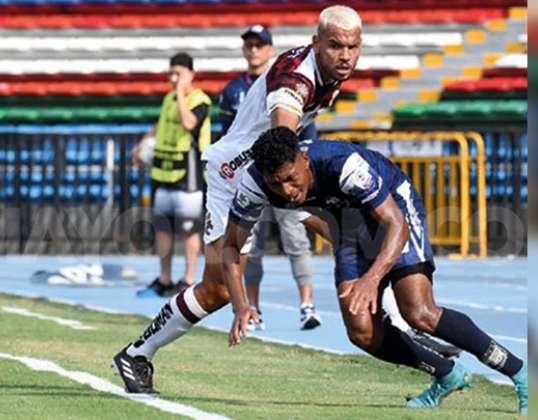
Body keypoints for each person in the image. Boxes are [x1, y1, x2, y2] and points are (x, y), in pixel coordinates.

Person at [113, 5, 357, 393]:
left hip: (264, 170)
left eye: (353, 47)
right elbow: (282, 143)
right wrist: (305, 200)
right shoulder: (296, 81)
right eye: (336, 46)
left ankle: (407, 325)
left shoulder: (330, 73)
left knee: (350, 237)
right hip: (239, 175)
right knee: (218, 289)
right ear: (317, 43)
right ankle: (136, 353)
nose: (345, 56)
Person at [221, 127, 528, 414]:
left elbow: (397, 224)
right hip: (348, 223)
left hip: (394, 209)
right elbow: (231, 247)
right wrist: (240, 305)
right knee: (362, 332)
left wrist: (371, 279)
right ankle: (447, 374)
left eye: (290, 179)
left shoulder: (343, 165)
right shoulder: (255, 184)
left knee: (419, 312)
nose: (286, 190)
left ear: (303, 159)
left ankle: (521, 372)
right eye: (276, 184)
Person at [218, 24, 321, 331]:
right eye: (249, 45)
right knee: (252, 244)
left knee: (296, 237)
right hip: (251, 176)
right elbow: (226, 136)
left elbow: (308, 128)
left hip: (286, 174)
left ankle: (307, 304)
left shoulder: (288, 81)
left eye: (258, 46)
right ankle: (252, 307)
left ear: (270, 50)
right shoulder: (232, 89)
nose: (253, 51)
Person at [132, 52, 212, 298]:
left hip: (188, 177)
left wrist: (180, 93)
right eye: (172, 73)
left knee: (189, 229)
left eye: (180, 74)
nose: (174, 78)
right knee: (163, 228)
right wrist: (142, 144)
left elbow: (188, 123)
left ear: (191, 75)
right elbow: (160, 126)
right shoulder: (167, 99)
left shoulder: (200, 101)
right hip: (163, 173)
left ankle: (188, 279)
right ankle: (164, 278)